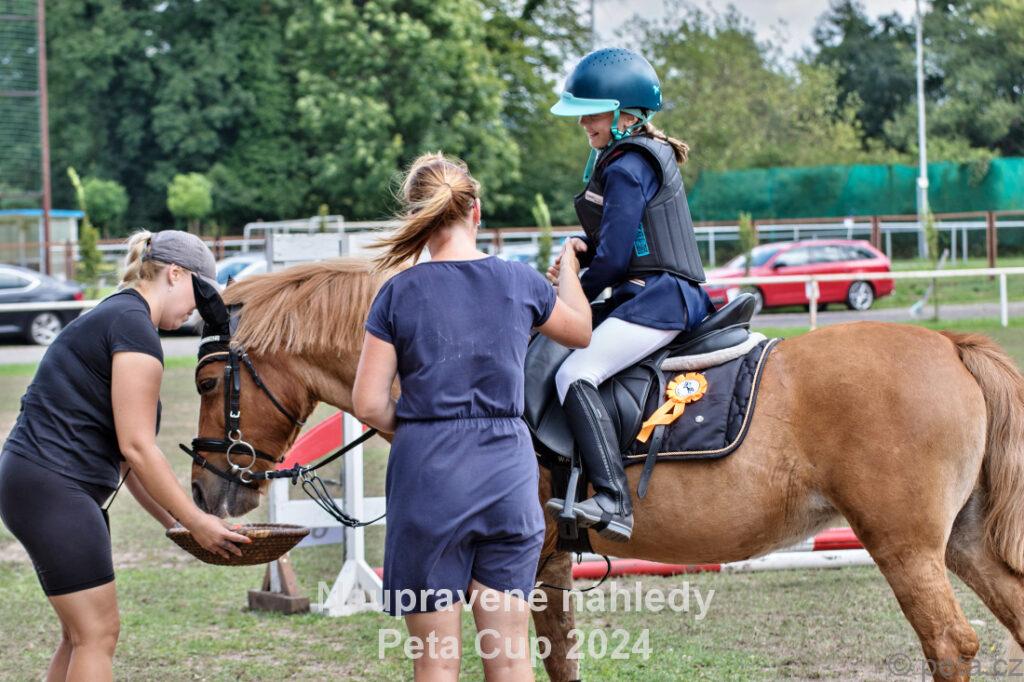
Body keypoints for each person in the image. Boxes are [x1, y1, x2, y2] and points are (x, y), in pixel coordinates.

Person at [352, 152, 591, 681]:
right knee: (509, 656)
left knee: (436, 661)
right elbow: (579, 331)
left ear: (418, 217)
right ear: (475, 211)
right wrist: (569, 270)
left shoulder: (398, 293)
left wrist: (421, 428)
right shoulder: (521, 281)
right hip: (507, 475)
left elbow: (368, 404)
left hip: (428, 477)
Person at [0, 230, 251, 682]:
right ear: (175, 274)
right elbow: (138, 446)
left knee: (80, 635)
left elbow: (128, 458)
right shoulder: (132, 326)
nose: (196, 310)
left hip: (39, 484)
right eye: (198, 296)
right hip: (55, 487)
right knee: (97, 635)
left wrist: (182, 526)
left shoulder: (120, 316)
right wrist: (196, 522)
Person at [543, 47, 715, 543]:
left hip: (658, 300)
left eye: (592, 114)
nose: (584, 124)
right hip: (656, 293)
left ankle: (613, 499)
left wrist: (568, 296)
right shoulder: (637, 156)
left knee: (575, 372)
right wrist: (581, 249)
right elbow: (623, 242)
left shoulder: (624, 166)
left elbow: (616, 262)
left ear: (623, 114)